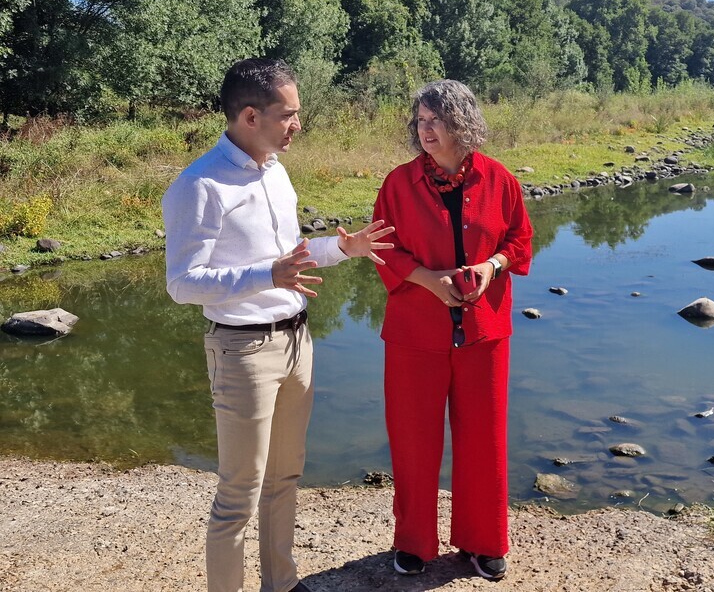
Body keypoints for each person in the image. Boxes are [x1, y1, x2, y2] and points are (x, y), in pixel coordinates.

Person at [162, 58, 395, 592]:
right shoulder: (199, 185)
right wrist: (268, 274)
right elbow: (184, 282)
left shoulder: (276, 170)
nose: (297, 125)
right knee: (238, 495)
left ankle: (282, 585)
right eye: (288, 115)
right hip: (242, 352)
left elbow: (289, 256)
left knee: (285, 477)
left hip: (296, 341)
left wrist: (340, 248)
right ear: (250, 116)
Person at [372, 79, 533, 580]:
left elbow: (520, 241)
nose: (425, 129)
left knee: (484, 440)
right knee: (413, 439)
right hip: (413, 334)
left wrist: (491, 268)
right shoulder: (398, 184)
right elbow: (382, 248)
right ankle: (414, 543)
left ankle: (483, 543)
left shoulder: (500, 179)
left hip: (484, 332)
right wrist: (427, 281)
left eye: (435, 120)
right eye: (420, 120)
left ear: (462, 122)